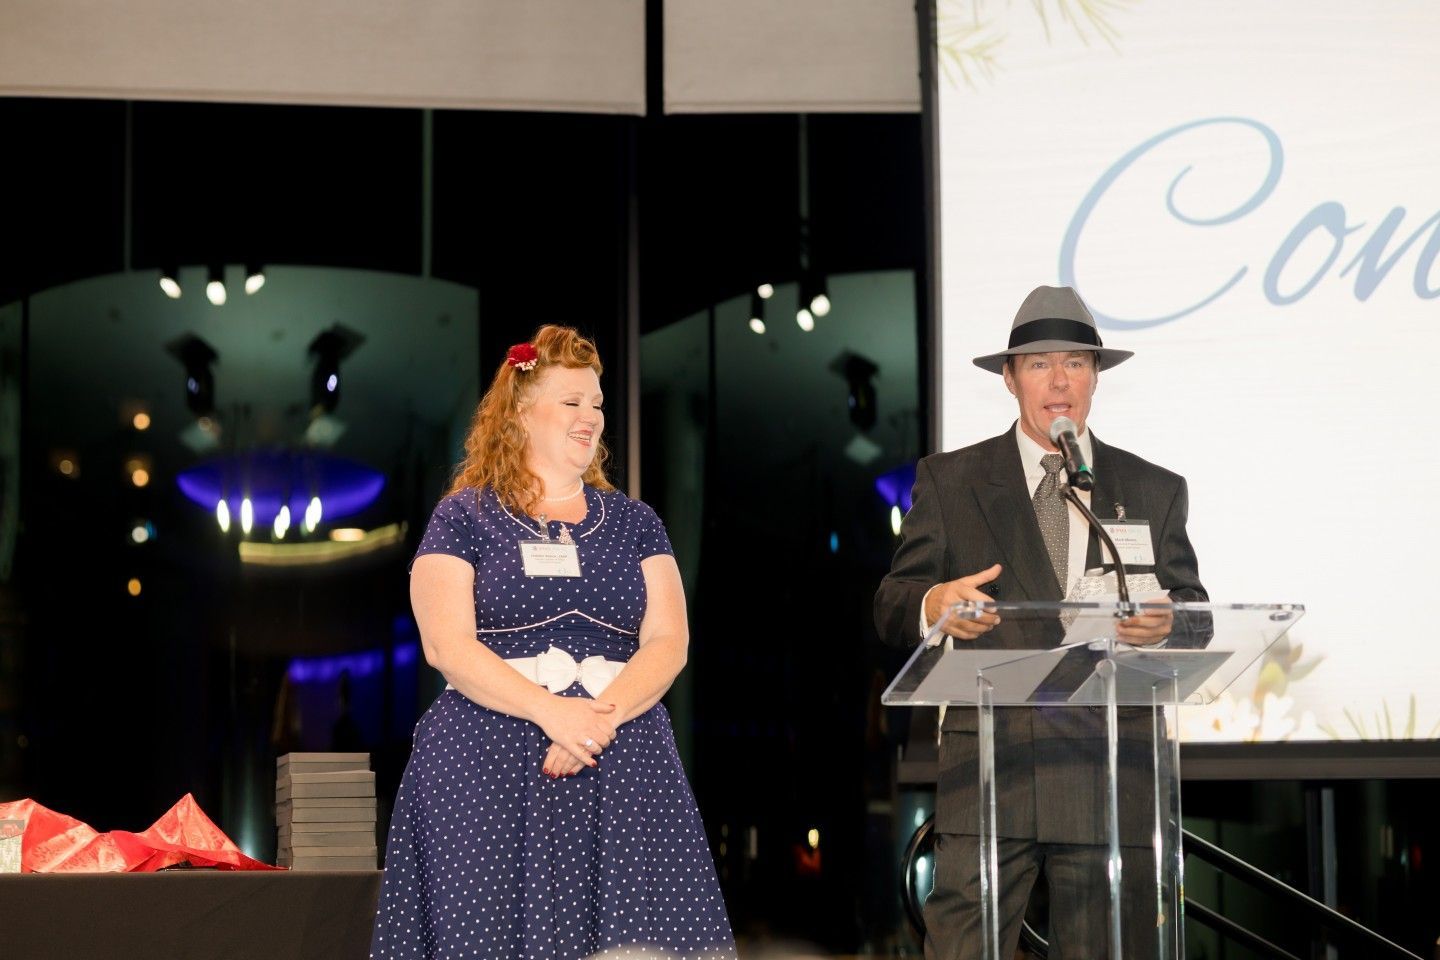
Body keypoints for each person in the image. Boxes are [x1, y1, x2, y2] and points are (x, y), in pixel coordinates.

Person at [371, 325, 735, 960]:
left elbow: (669, 640)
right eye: (571, 401)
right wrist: (553, 713)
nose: (590, 416)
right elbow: (447, 646)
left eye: (596, 403)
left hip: (621, 757)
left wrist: (594, 723)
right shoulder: (463, 516)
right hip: (486, 761)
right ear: (519, 412)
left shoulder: (637, 522)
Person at [873, 286, 1207, 960]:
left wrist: (1167, 623)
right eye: (1039, 363)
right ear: (1009, 377)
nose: (1059, 381)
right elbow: (892, 603)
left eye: (1076, 363)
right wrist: (935, 604)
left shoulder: (1152, 487)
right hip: (991, 771)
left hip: (1110, 773)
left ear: (1095, 376)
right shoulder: (951, 480)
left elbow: (1195, 614)